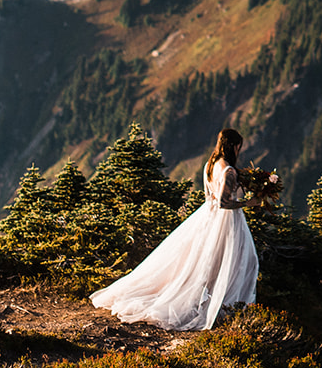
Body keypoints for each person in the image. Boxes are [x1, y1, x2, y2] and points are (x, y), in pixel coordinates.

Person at [90, 128, 261, 329]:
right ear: (233, 146)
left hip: (208, 218)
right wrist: (249, 204)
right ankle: (224, 304)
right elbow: (224, 203)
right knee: (236, 261)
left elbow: (213, 197)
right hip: (226, 222)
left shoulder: (211, 165)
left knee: (206, 261)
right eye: (238, 146)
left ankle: (209, 299)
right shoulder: (229, 171)